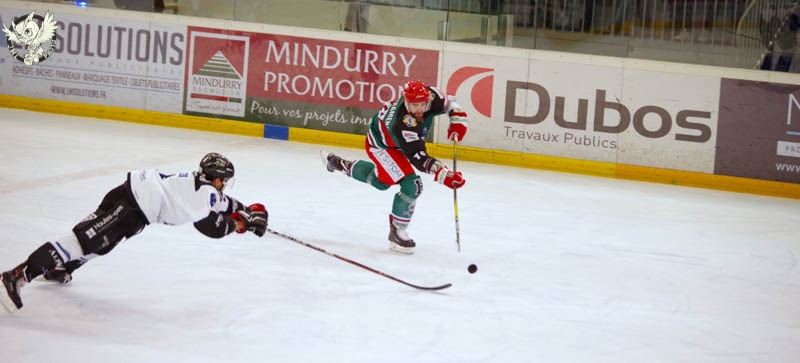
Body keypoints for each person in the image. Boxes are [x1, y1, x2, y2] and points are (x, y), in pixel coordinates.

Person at [0, 153, 268, 313]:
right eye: (225, 181)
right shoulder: (204, 195)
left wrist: (246, 210)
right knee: (81, 241)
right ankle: (16, 276)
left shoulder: (202, 186)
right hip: (129, 207)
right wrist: (240, 224)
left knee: (99, 246)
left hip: (134, 207)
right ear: (217, 179)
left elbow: (224, 204)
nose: (225, 186)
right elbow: (211, 227)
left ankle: (57, 269)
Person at [321, 80, 467, 254]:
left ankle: (338, 164)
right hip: (382, 146)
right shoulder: (402, 124)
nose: (419, 109)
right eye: (414, 105)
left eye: (422, 104)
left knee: (381, 182)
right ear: (406, 101)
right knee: (412, 185)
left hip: (399, 143)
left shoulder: (431, 95)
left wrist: (457, 118)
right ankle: (397, 232)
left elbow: (449, 102)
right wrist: (444, 174)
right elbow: (418, 157)